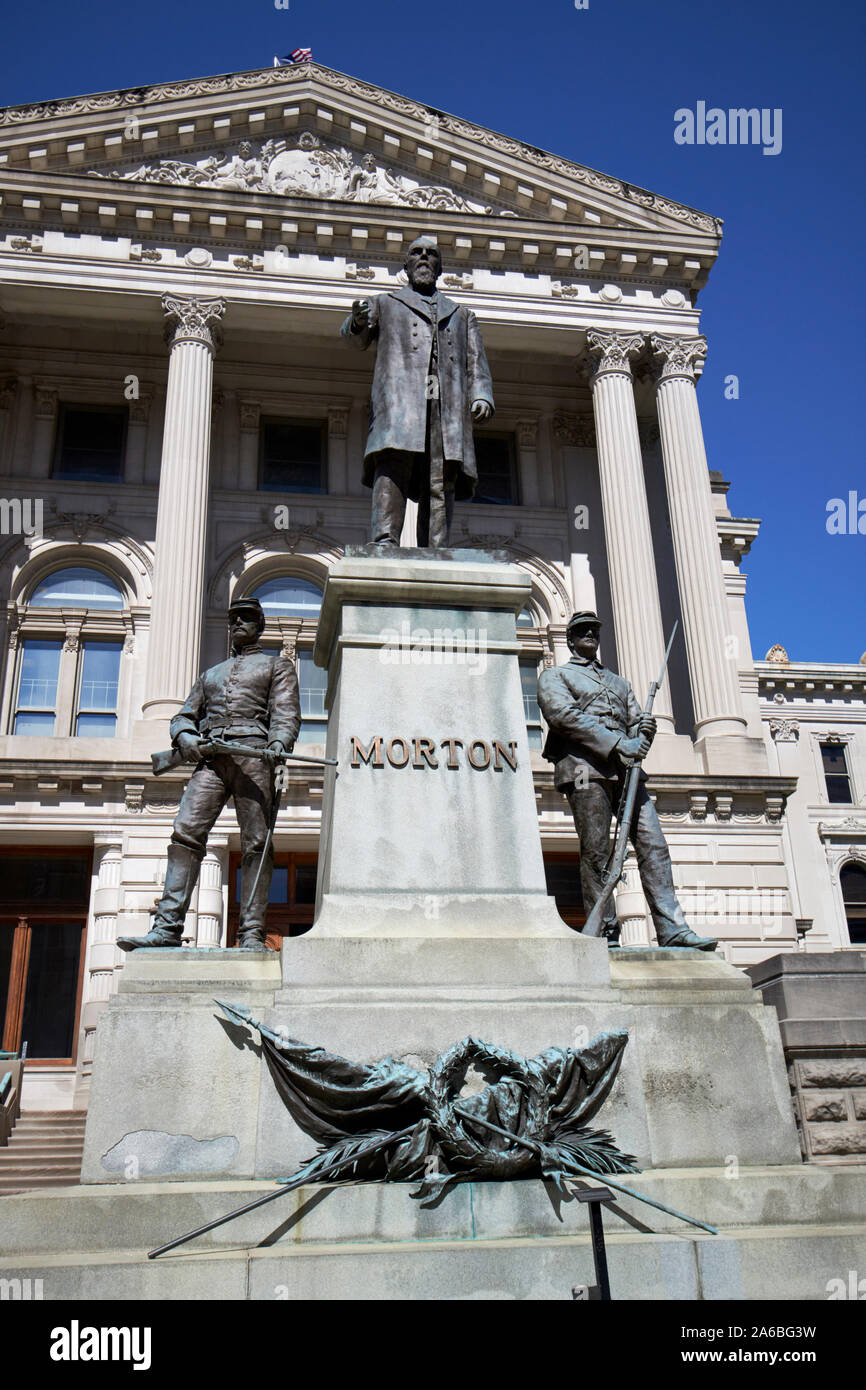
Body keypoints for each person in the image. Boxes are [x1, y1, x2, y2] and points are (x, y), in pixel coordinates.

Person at [117, 597, 300, 952]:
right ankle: (167, 929)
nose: (238, 625)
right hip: (211, 760)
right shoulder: (209, 675)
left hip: (254, 758)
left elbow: (286, 713)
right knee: (185, 833)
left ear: (259, 626)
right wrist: (186, 738)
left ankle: (251, 933)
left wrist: (279, 742)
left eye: (246, 619)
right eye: (234, 620)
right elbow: (184, 716)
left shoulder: (277, 665)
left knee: (256, 845)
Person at [537, 611, 717, 951]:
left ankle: (672, 928)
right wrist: (621, 742)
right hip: (582, 770)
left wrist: (641, 731)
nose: (589, 633)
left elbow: (633, 722)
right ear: (570, 638)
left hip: (627, 772)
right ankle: (602, 931)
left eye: (594, 630)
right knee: (597, 851)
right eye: (582, 630)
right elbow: (563, 717)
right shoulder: (555, 676)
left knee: (654, 845)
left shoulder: (620, 683)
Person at [341, 235, 494, 546]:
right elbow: (354, 339)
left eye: (431, 254)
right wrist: (356, 321)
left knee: (441, 474)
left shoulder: (462, 315)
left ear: (440, 267)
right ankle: (385, 539)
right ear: (406, 264)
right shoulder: (385, 303)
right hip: (401, 402)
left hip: (445, 404)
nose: (424, 258)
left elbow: (475, 362)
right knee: (393, 463)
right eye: (416, 253)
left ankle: (437, 547)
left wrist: (482, 394)